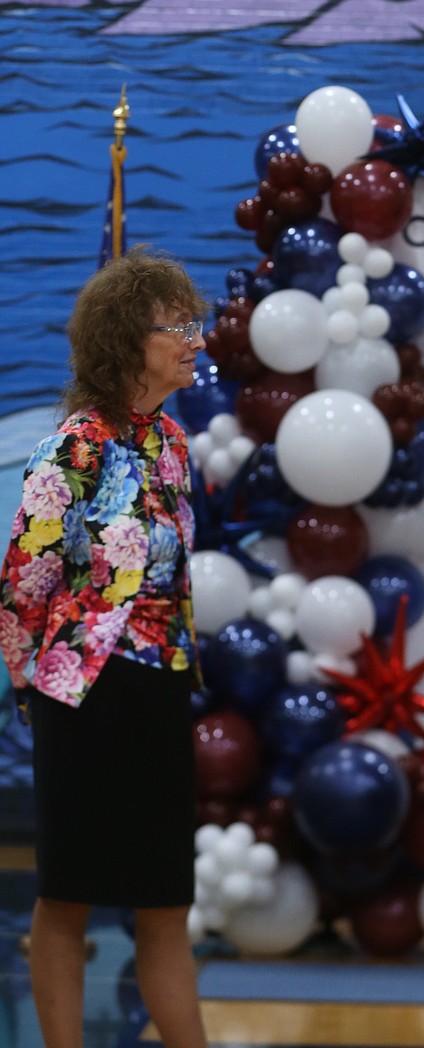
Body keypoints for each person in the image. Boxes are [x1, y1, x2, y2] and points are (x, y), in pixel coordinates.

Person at [0, 248, 211, 1048]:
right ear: (128, 339)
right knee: (69, 897)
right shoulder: (73, 450)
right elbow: (23, 584)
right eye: (177, 326)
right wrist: (37, 685)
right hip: (83, 700)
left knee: (164, 903)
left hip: (161, 694)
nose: (195, 339)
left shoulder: (174, 446)